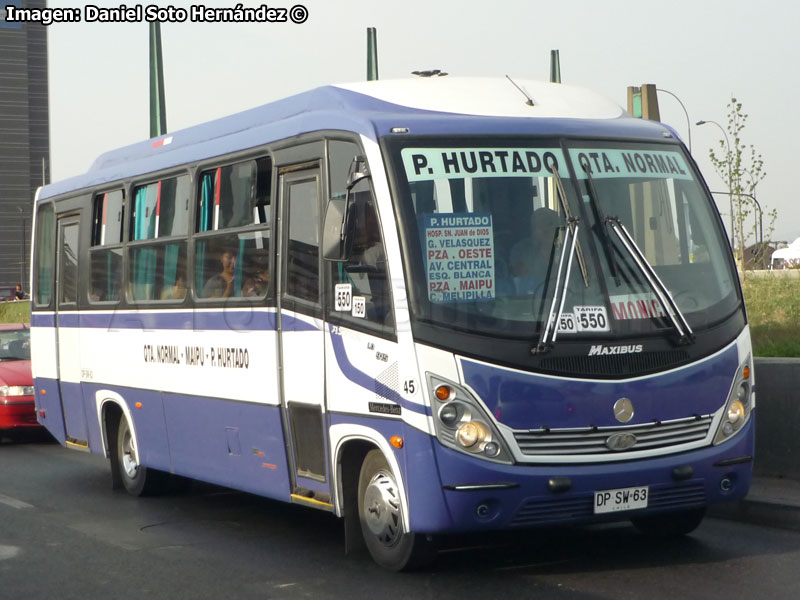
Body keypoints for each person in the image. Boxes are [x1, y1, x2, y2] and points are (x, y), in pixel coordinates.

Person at [509, 207, 562, 295]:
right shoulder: (522, 251)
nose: (546, 229)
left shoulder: (569, 252)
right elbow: (521, 280)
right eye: (541, 225)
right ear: (532, 229)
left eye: (550, 224)